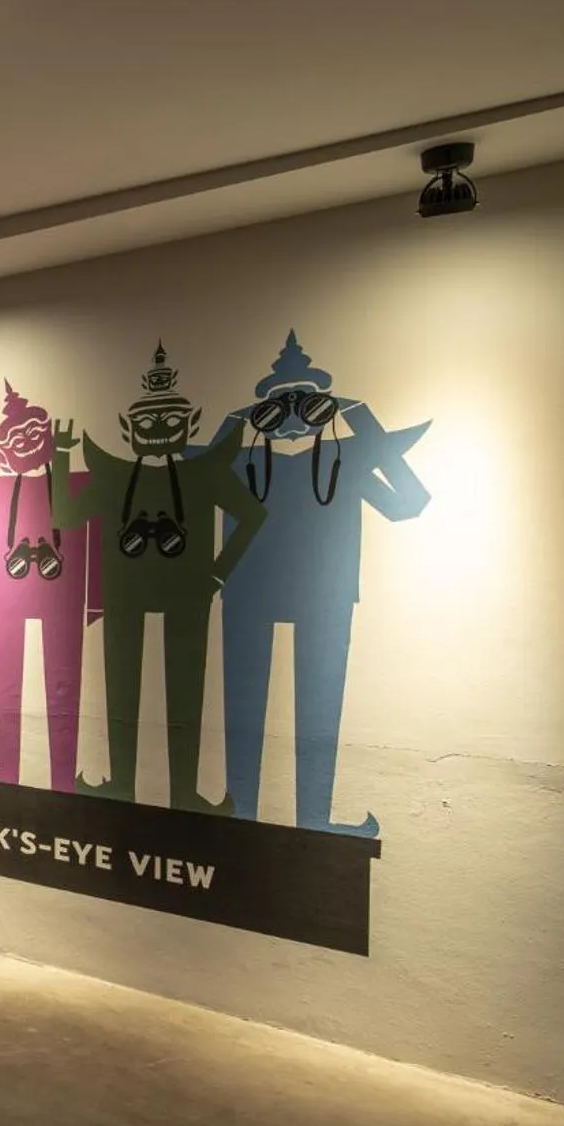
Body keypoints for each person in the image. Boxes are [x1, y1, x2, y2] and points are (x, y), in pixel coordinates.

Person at [210, 331, 429, 836]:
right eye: (276, 405)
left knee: (319, 709)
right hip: (247, 591)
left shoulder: (346, 460)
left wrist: (356, 416)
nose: (289, 415)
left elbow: (409, 501)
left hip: (324, 595)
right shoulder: (244, 463)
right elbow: (197, 471)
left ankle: (314, 818)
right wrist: (237, 420)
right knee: (241, 709)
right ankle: (239, 812)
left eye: (303, 402)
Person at [52, 344, 266, 810]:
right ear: (129, 430)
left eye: (170, 423)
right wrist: (61, 457)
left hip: (189, 591)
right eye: (147, 424)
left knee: (186, 694)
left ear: (189, 426)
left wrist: (217, 575)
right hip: (123, 592)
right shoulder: (111, 478)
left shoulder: (202, 474)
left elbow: (253, 515)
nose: (158, 432)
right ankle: (120, 786)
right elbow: (64, 515)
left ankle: (186, 795)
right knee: (120, 691)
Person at [0, 383, 101, 788]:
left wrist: (96, 599)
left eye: (36, 434)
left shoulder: (74, 485)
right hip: (3, 597)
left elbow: (94, 530)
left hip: (64, 595)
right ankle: (6, 771)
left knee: (64, 689)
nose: (27, 443)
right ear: (2, 449)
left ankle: (64, 779)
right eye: (15, 439)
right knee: (4, 687)